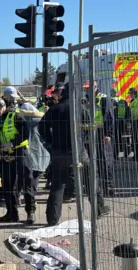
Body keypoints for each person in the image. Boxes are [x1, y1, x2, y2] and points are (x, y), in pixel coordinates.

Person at [38, 82, 110, 226]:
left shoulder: (55, 109)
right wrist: (84, 140)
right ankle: (99, 208)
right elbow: (90, 128)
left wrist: (50, 144)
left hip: (58, 151)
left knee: (57, 186)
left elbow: (42, 127)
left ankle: (52, 218)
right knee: (90, 180)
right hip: (78, 151)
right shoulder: (81, 108)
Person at [0, 97, 36, 225]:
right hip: (5, 155)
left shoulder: (16, 116)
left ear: (3, 105)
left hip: (20, 153)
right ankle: (12, 214)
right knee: (8, 186)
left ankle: (30, 213)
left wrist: (12, 144)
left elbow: (25, 133)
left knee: (26, 183)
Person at [2, 86, 50, 205]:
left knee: (21, 178)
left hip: (21, 150)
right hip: (37, 152)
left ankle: (18, 197)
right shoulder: (38, 118)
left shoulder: (16, 116)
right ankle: (30, 202)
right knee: (33, 180)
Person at [82, 80, 115, 196]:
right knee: (91, 160)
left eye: (88, 88)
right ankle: (96, 186)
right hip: (89, 132)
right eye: (85, 89)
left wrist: (108, 134)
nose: (86, 91)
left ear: (95, 88)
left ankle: (108, 185)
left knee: (105, 159)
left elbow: (109, 117)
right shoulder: (84, 100)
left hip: (101, 132)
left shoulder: (104, 99)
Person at [130, 88, 138, 161]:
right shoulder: (132, 101)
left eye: (131, 93)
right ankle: (135, 156)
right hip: (134, 121)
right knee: (134, 139)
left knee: (136, 139)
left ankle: (136, 157)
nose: (130, 95)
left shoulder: (136, 100)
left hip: (136, 121)